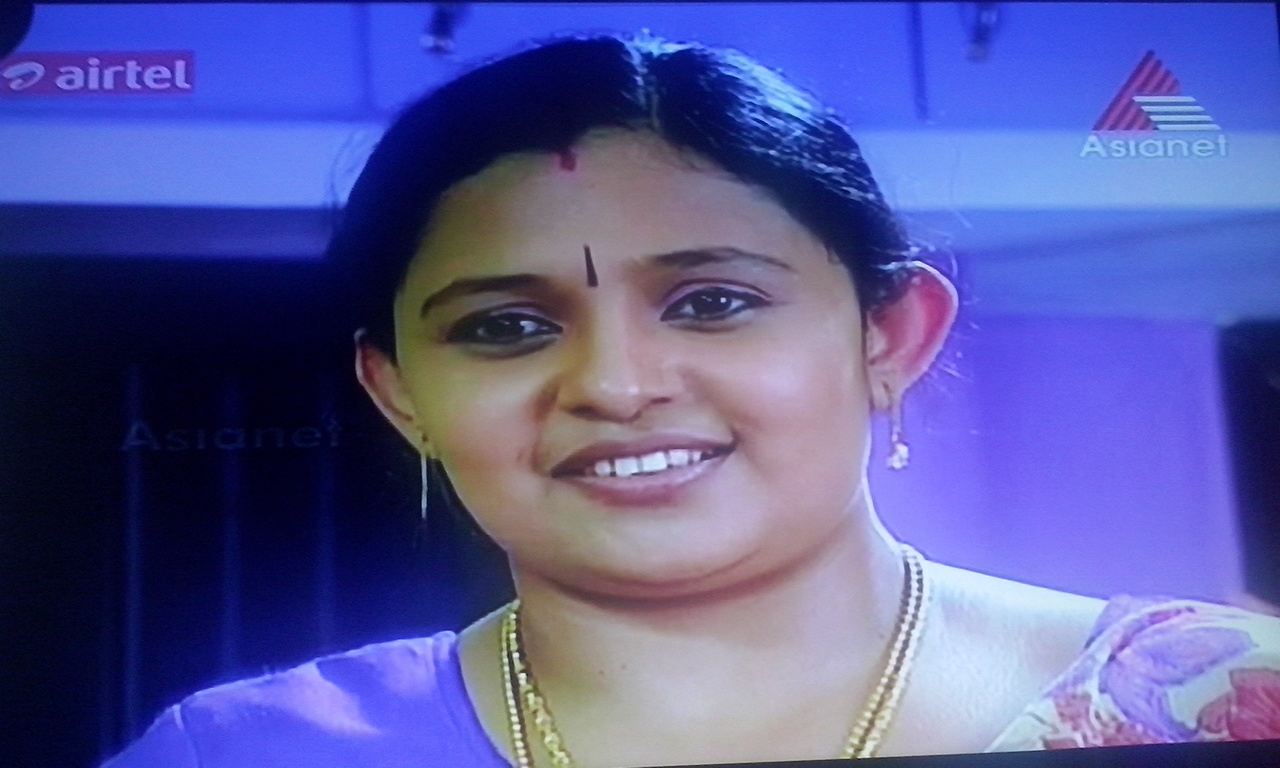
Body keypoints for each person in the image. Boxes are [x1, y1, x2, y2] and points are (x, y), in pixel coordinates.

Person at [104, 33, 1280, 768]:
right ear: (400, 393)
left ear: (890, 336)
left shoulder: (1223, 700)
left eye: (713, 303)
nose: (616, 386)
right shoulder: (248, 752)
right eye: (505, 328)